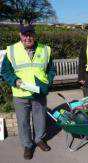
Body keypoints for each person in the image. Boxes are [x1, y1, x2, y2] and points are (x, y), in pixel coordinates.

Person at [1, 24, 56, 159]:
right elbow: (5, 71)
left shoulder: (45, 49)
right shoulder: (12, 50)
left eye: (30, 34)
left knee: (40, 118)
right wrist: (15, 81)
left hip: (39, 91)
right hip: (20, 93)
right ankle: (27, 145)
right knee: (23, 121)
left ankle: (39, 139)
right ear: (20, 35)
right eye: (25, 34)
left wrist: (48, 83)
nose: (28, 37)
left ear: (34, 34)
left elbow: (51, 70)